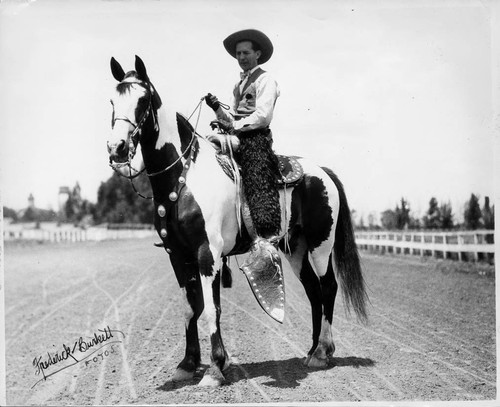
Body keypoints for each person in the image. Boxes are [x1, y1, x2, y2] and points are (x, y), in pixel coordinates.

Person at [205, 28, 282, 273]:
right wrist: (217, 109)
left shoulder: (265, 80)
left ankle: (265, 233)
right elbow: (230, 118)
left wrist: (235, 126)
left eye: (246, 52)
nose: (241, 57)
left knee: (256, 173)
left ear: (258, 53)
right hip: (238, 135)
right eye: (238, 53)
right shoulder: (239, 84)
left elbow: (262, 115)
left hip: (256, 139)